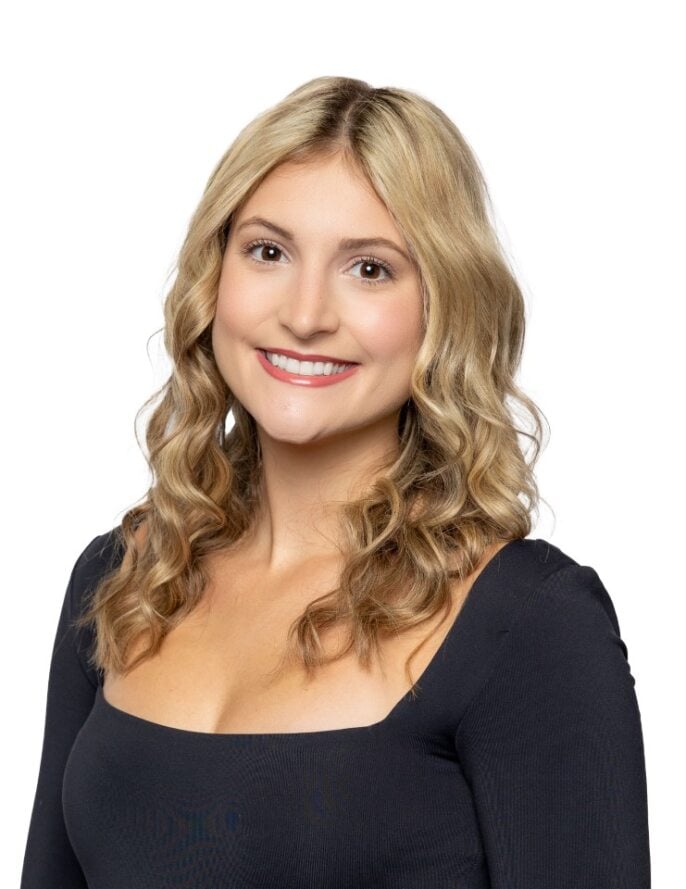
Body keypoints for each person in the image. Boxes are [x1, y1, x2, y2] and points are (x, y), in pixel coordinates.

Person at [20, 75, 651, 888]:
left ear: (444, 306)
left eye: (370, 268)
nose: (307, 312)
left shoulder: (529, 625)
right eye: (268, 252)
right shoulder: (125, 578)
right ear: (214, 277)